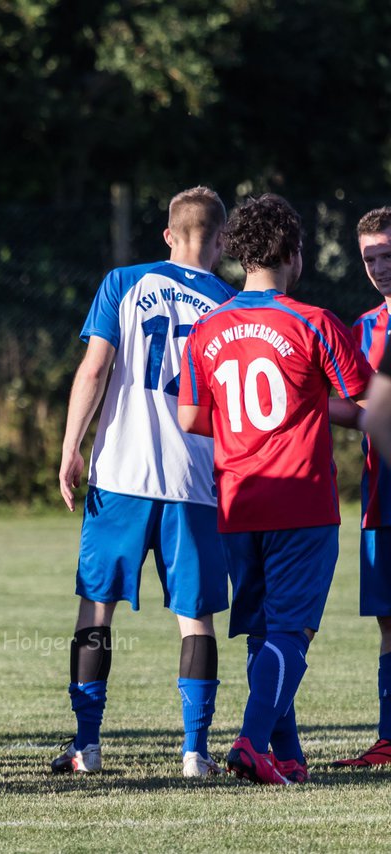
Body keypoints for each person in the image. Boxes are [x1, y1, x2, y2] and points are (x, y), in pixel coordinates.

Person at [178, 193, 371, 784]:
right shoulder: (313, 321)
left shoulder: (208, 327)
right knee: (293, 629)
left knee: (265, 630)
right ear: (294, 253)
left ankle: (286, 755)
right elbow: (367, 403)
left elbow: (190, 418)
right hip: (300, 499)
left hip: (237, 499)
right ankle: (253, 742)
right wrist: (310, 406)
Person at [54, 187, 235, 778]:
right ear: (222, 240)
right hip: (195, 479)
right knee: (196, 617)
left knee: (96, 608)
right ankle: (195, 751)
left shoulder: (123, 282)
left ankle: (88, 745)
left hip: (122, 474)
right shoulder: (232, 306)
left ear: (167, 235)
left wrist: (71, 446)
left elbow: (95, 367)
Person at [332, 206, 391, 769]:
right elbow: (354, 409)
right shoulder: (360, 329)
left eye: (388, 255)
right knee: (388, 621)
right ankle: (389, 738)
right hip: (383, 499)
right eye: (370, 258)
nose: (379, 267)